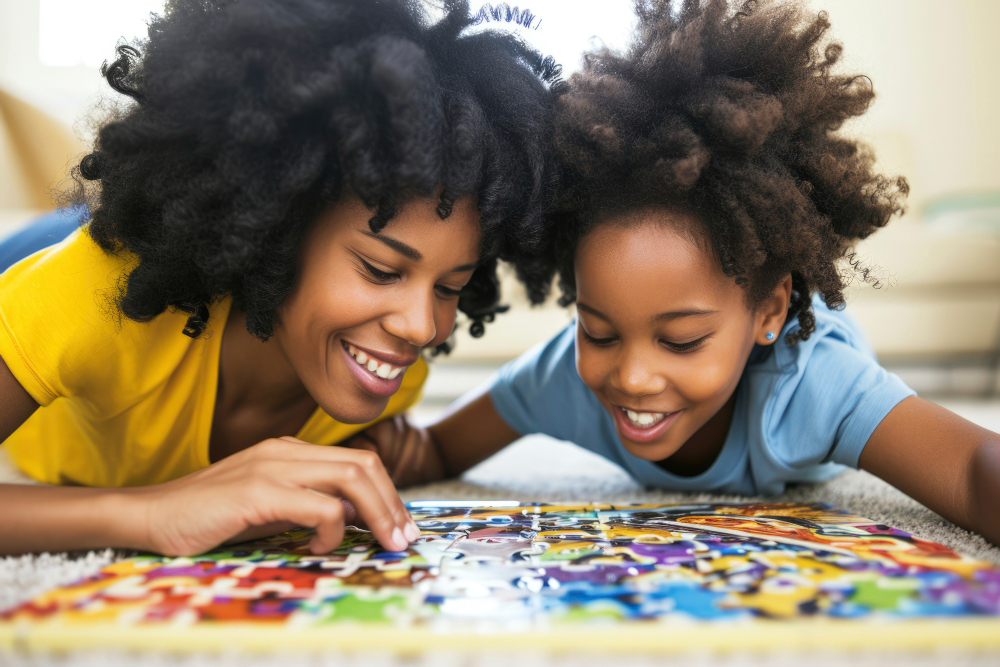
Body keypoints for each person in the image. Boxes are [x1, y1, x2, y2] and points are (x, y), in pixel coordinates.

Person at [358, 0, 1000, 545]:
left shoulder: (815, 386)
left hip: (803, 342)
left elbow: (973, 468)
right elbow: (431, 450)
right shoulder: (564, 377)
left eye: (682, 340)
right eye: (599, 331)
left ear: (769, 311)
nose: (632, 376)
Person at [0, 0, 561, 556]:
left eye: (448, 287)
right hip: (54, 250)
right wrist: (152, 511)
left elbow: (424, 453)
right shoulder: (95, 297)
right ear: (276, 228)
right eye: (381, 269)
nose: (420, 328)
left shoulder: (382, 376)